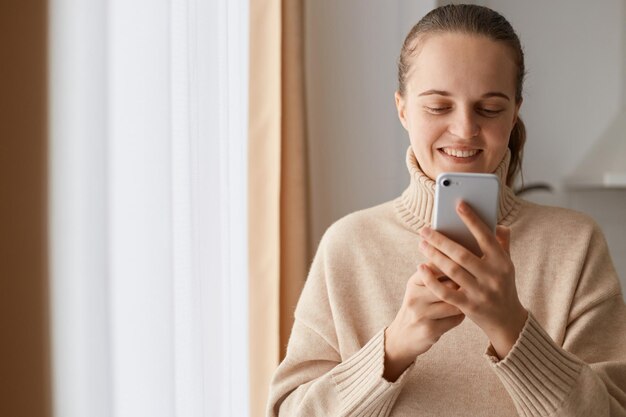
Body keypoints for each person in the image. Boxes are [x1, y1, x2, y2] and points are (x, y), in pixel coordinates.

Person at [266, 4, 626, 416]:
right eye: (439, 106)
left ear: (514, 114)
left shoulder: (576, 245)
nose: (464, 130)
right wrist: (394, 347)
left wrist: (511, 327)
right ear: (402, 109)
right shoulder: (349, 245)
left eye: (489, 109)